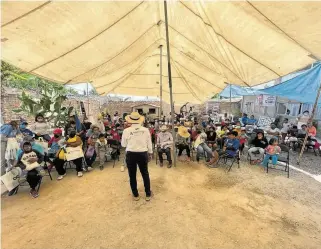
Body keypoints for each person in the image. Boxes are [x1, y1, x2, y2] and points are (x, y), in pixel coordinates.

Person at [121, 112, 152, 201]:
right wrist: (150, 153)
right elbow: (149, 143)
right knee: (145, 173)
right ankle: (148, 194)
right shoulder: (145, 130)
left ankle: (135, 195)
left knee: (132, 175)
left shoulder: (126, 131)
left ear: (130, 120)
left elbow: (123, 144)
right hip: (143, 153)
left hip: (131, 154)